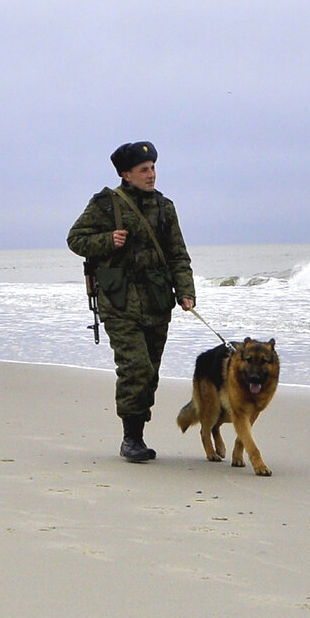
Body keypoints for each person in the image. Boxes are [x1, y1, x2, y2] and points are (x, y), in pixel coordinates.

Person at [67, 142, 196, 462]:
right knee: (135, 368)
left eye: (153, 167)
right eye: (143, 169)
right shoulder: (105, 204)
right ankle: (131, 439)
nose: (151, 174)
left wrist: (186, 291)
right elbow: (75, 239)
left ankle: (137, 430)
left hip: (156, 300)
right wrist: (107, 241)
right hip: (119, 300)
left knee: (150, 372)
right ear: (126, 174)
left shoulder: (165, 207)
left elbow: (177, 254)